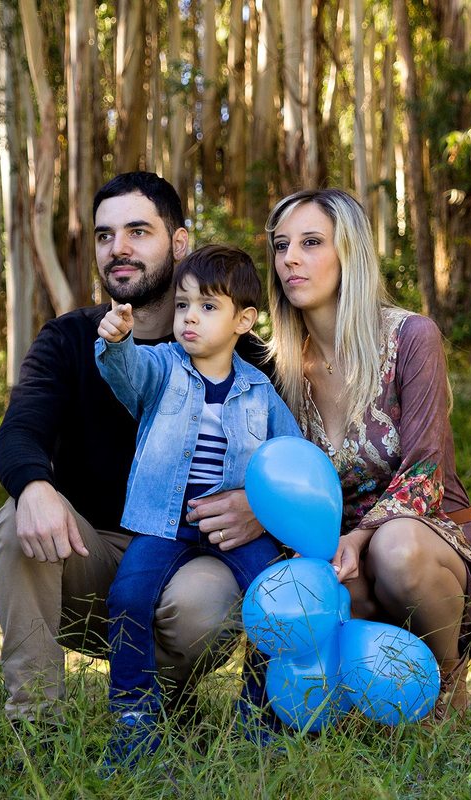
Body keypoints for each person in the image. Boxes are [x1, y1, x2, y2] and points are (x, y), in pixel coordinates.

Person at [0, 173, 271, 730]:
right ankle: (37, 721)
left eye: (138, 231)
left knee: (202, 605)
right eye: (104, 235)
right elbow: (20, 430)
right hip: (88, 556)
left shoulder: (241, 354)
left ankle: (163, 699)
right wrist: (35, 486)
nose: (118, 248)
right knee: (15, 516)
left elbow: (287, 455)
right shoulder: (70, 338)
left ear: (181, 243)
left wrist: (255, 503)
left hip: (189, 558)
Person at [264, 188, 471, 718]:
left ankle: (445, 682)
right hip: (336, 558)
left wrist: (362, 535)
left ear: (349, 252)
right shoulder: (276, 367)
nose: (290, 260)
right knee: (319, 583)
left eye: (310, 243)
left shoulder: (411, 337)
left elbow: (425, 467)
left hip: (422, 541)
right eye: (281, 247)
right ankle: (362, 689)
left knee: (394, 551)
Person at [94, 244, 301, 768]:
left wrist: (283, 523)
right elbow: (128, 374)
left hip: (236, 530)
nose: (190, 317)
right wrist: (116, 343)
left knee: (272, 602)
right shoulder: (162, 367)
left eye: (208, 307)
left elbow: (290, 459)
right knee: (128, 594)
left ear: (243, 321)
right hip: (162, 521)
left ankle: (262, 715)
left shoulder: (258, 390)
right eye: (183, 305)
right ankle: (134, 715)